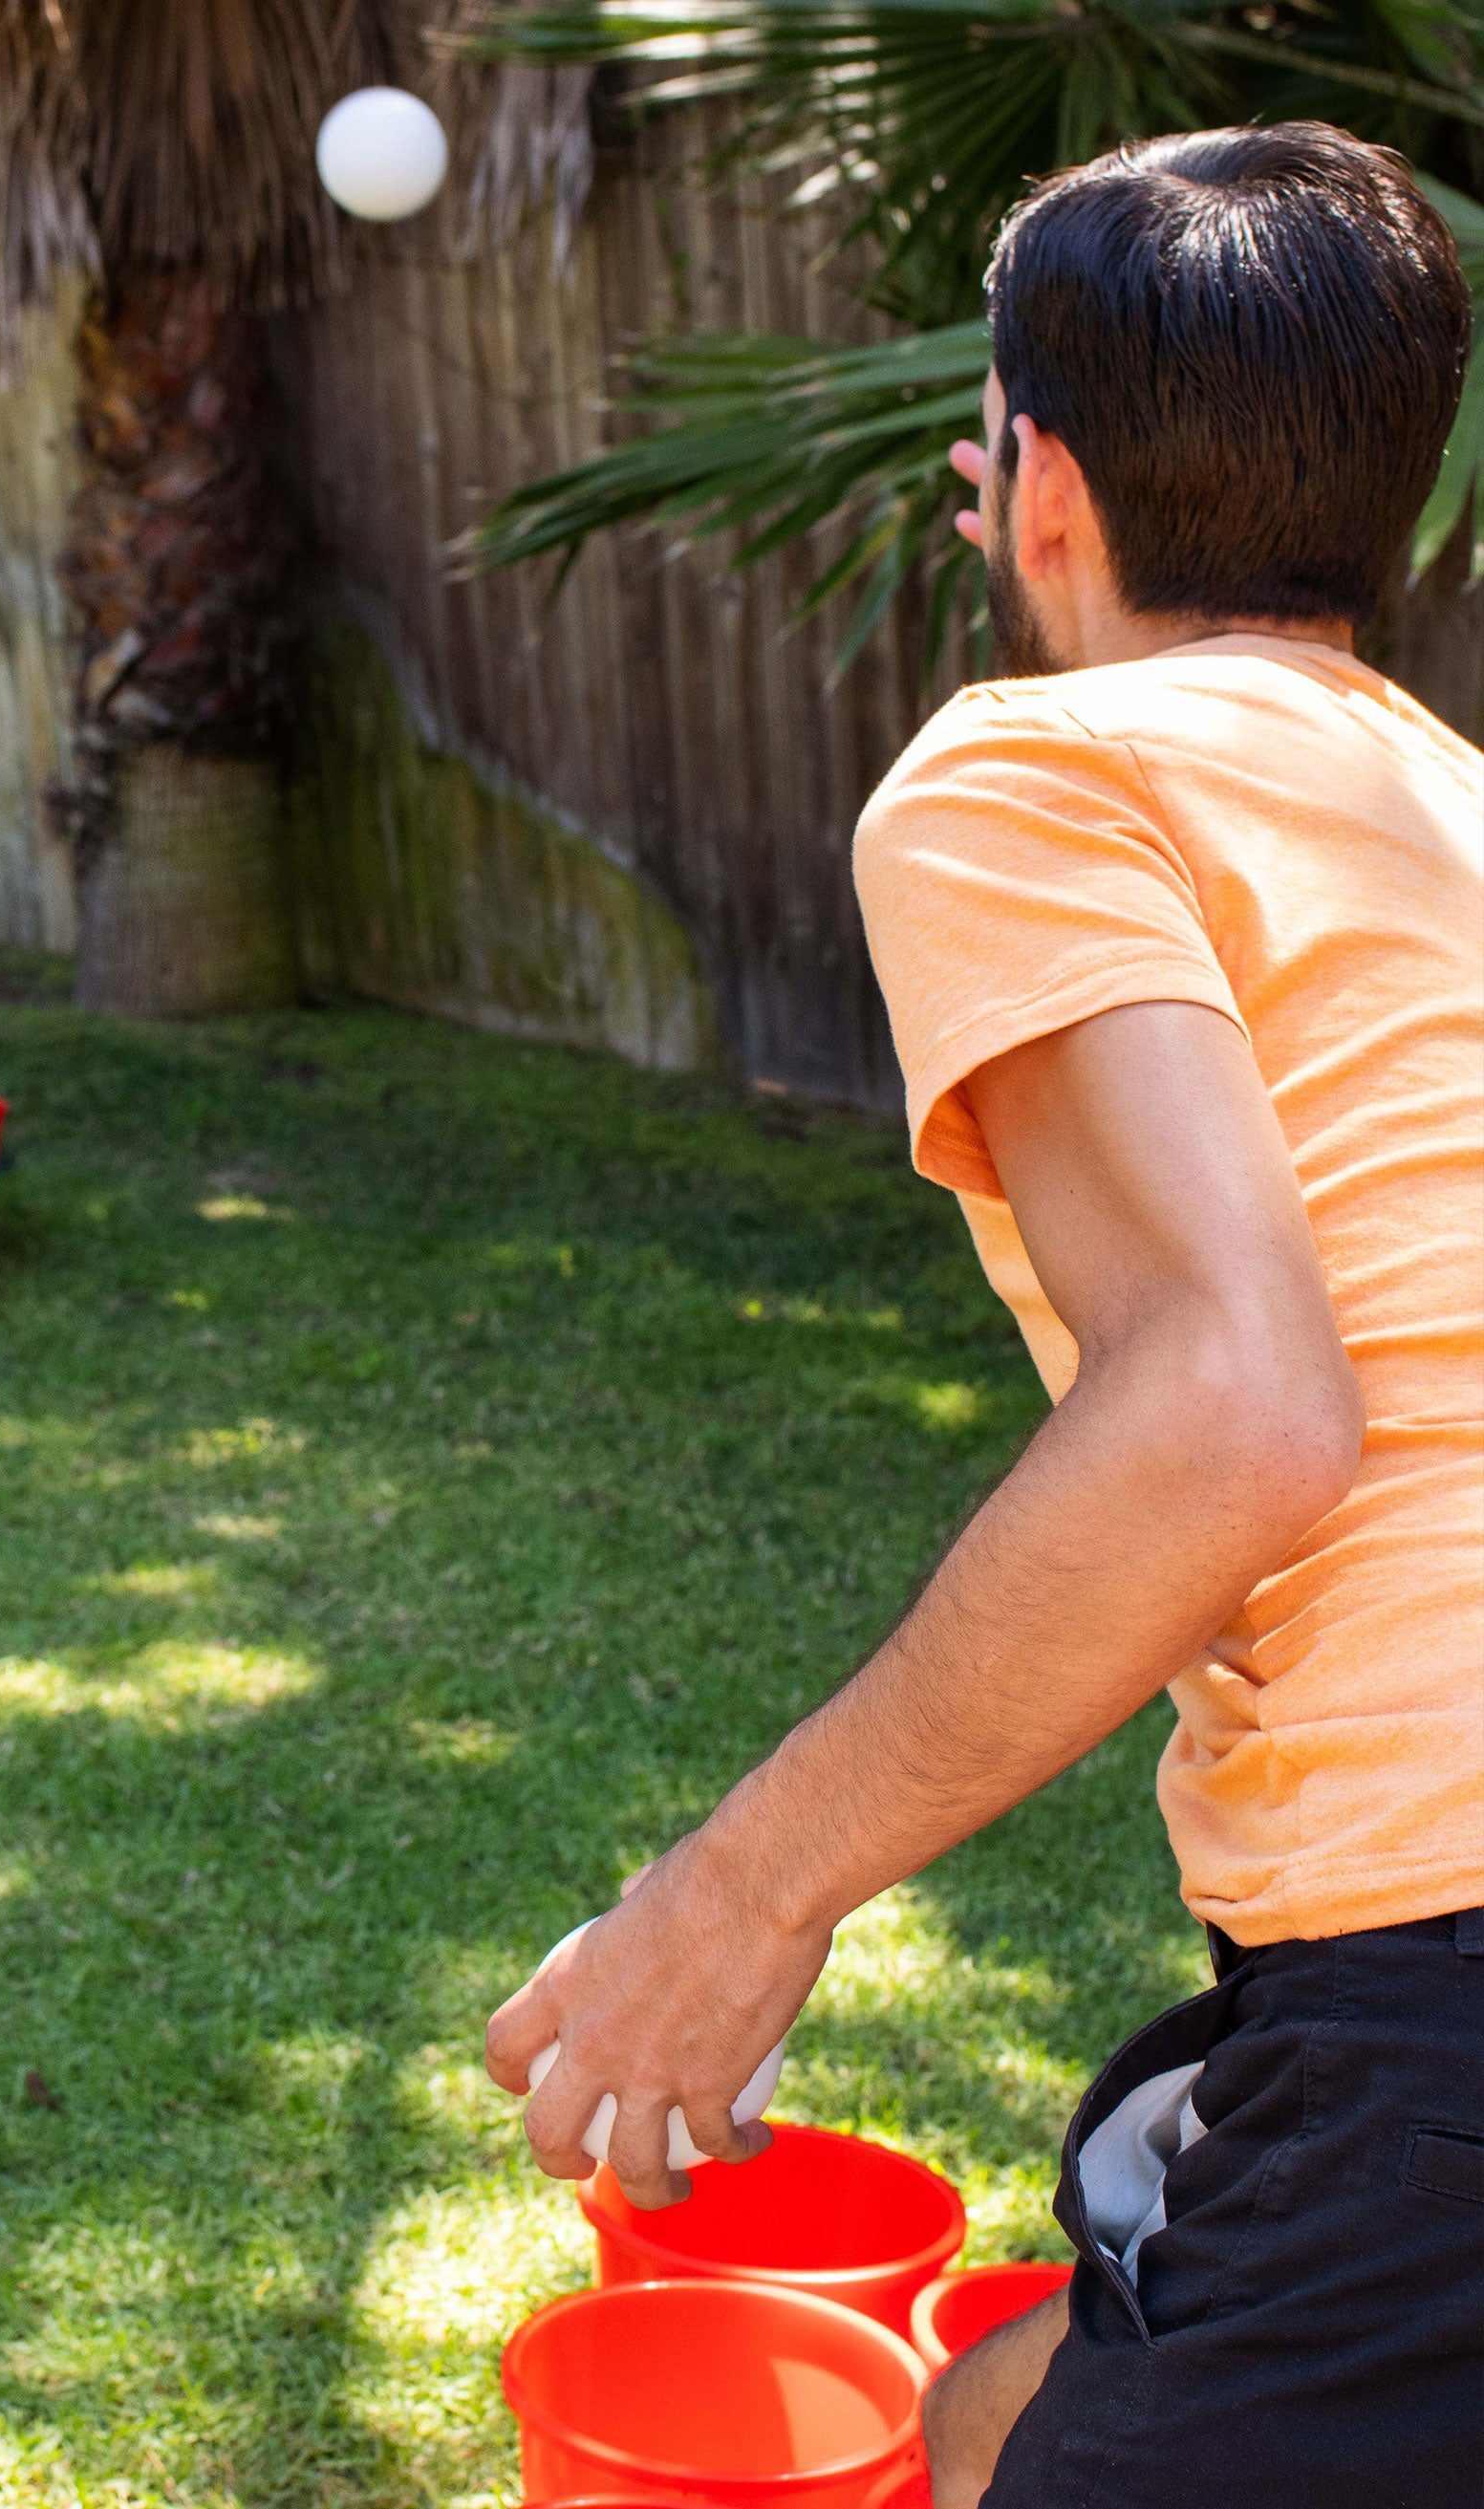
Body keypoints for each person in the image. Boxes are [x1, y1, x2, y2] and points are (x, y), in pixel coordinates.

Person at [481, 122, 1481, 2507]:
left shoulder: (1026, 773)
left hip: (1431, 1963)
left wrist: (725, 1901)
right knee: (993, 2411)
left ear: (1027, 480)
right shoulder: (1448, 808)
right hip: (1387, 1987)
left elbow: (1235, 1408)